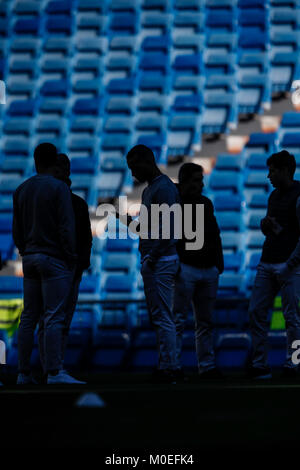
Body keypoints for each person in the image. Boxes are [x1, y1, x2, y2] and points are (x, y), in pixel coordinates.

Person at [12, 143, 79, 385]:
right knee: (53, 316)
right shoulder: (59, 187)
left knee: (28, 317)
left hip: (29, 256)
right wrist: (71, 255)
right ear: (54, 161)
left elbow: (16, 230)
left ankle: (22, 373)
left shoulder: (22, 189)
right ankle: (54, 371)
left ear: (35, 160)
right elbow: (66, 226)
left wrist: (24, 250)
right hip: (54, 257)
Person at [124, 144, 180, 383]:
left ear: (147, 162)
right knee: (160, 316)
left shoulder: (164, 189)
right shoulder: (150, 190)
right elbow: (148, 229)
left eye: (135, 167)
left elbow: (171, 229)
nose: (133, 173)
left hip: (161, 260)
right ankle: (166, 364)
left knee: (163, 316)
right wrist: (128, 222)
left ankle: (171, 366)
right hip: (155, 259)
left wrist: (152, 257)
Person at [248, 150, 300, 379]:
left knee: (292, 318)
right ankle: (260, 364)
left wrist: (291, 264)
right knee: (256, 312)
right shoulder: (274, 196)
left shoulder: (299, 195)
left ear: (284, 170)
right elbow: (275, 230)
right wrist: (266, 225)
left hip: (289, 265)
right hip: (268, 260)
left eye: (272, 170)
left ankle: (294, 363)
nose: (268, 175)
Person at [173, 163, 224, 379]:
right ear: (184, 181)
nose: (200, 184)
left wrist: (218, 264)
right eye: (196, 180)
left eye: (200, 180)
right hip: (186, 268)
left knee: (203, 322)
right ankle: (173, 365)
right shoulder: (173, 205)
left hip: (205, 269)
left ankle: (206, 366)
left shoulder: (205, 203)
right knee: (179, 320)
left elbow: (214, 235)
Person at [45, 153, 92, 374]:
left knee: (55, 320)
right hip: (59, 266)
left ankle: (53, 366)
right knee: (56, 320)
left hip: (66, 268)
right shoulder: (65, 202)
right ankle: (52, 368)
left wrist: (80, 265)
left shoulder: (76, 204)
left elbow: (85, 239)